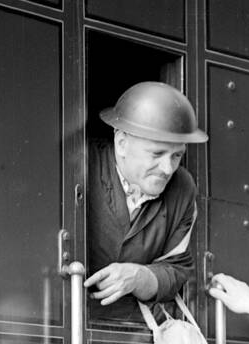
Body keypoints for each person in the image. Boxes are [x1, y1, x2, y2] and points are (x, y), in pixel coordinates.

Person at [86, 82, 206, 320]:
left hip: (134, 336)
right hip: (69, 321)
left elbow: (177, 268)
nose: (168, 168)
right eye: (157, 154)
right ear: (121, 143)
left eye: (177, 156)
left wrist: (139, 277)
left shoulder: (183, 188)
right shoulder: (82, 165)